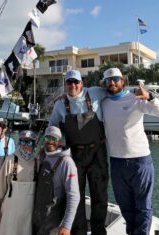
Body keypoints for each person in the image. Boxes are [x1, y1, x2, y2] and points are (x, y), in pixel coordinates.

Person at [101, 68, 159, 235]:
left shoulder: (136, 98)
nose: (112, 82)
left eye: (116, 79)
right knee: (125, 206)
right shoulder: (103, 102)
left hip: (140, 161)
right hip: (116, 161)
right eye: (109, 80)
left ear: (122, 80)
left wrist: (150, 97)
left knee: (143, 206)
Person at [49, 69, 108, 235]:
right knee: (76, 195)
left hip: (98, 153)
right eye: (69, 83)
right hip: (75, 154)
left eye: (76, 82)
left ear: (82, 83)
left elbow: (115, 90)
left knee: (100, 195)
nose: (73, 85)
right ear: (65, 85)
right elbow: (52, 126)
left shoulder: (95, 92)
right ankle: (77, 231)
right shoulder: (60, 104)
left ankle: (99, 231)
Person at [33, 126, 80, 235]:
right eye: (47, 138)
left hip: (53, 222)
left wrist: (67, 225)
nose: (50, 142)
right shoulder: (42, 156)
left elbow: (74, 196)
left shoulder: (67, 162)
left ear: (60, 141)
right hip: (37, 217)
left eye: (53, 139)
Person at [0, 130, 38, 235]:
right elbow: (0, 187)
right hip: (10, 213)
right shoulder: (10, 160)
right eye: (23, 142)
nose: (26, 145)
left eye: (29, 142)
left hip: (28, 214)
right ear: (19, 143)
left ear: (35, 145)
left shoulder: (37, 161)